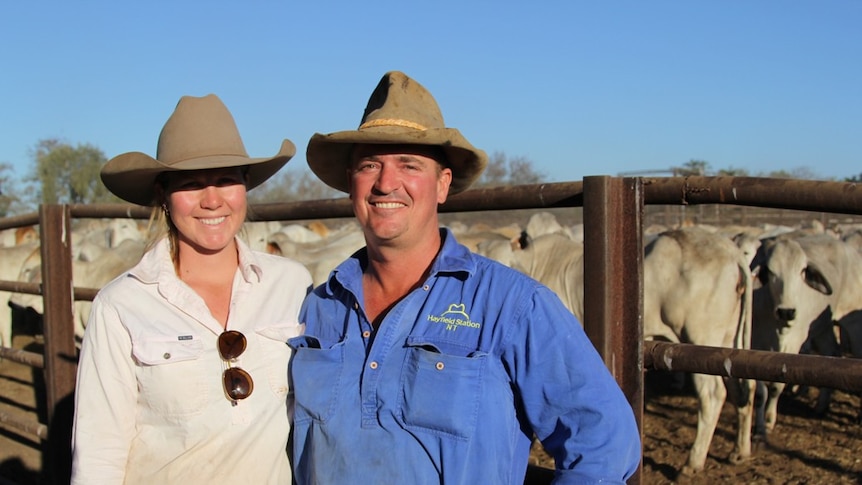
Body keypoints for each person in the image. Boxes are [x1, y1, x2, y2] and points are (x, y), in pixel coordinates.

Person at [289, 71, 641, 484]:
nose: (386, 183)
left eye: (409, 164)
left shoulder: (511, 306)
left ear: (442, 184)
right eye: (370, 164)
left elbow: (604, 439)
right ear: (351, 184)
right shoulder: (319, 307)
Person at [70, 94, 313, 484]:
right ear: (163, 196)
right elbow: (99, 452)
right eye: (191, 184)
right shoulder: (121, 305)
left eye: (226, 180)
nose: (212, 200)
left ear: (245, 187)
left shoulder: (293, 284)